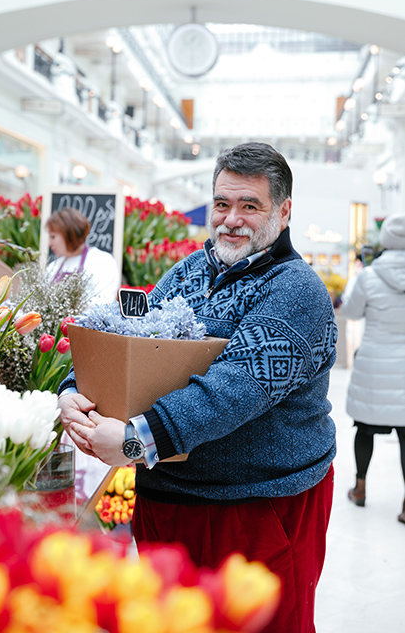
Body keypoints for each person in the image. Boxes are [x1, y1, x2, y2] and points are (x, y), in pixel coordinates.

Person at [58, 142, 337, 633]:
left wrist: (131, 440)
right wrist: (72, 388)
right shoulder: (186, 272)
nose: (232, 219)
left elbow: (236, 388)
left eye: (250, 206)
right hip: (169, 500)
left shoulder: (296, 291)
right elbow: (121, 337)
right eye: (223, 204)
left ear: (284, 211)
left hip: (256, 507)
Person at [341, 212, 405, 523]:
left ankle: (361, 488)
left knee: (364, 428)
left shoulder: (369, 276)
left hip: (375, 364)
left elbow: (351, 312)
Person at [45, 207, 120, 307]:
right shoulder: (53, 266)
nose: (49, 243)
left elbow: (103, 304)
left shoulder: (103, 262)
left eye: (53, 236)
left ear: (70, 235)